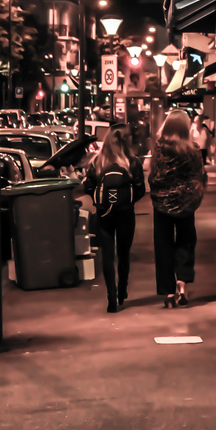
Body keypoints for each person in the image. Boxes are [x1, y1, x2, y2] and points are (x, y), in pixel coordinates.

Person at [149, 108, 207, 308]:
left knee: (163, 245)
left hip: (162, 204)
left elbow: (153, 175)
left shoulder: (159, 149)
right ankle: (182, 283)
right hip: (186, 204)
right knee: (186, 240)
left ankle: (168, 291)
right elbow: (200, 175)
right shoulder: (194, 150)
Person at [84, 124, 145, 313]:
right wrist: (128, 199)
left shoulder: (97, 162)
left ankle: (111, 297)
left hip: (104, 215)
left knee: (107, 256)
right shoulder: (132, 162)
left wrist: (100, 200)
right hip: (126, 214)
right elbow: (141, 189)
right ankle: (122, 291)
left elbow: (88, 186)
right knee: (124, 253)